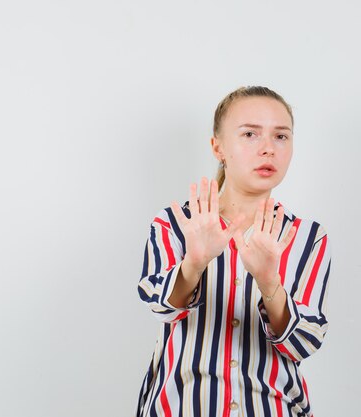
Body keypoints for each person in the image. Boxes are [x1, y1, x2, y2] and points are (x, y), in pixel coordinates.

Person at [136, 86, 332, 417]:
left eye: (281, 137)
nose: (268, 148)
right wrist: (194, 264)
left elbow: (303, 343)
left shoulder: (308, 237)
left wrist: (270, 284)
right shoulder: (175, 223)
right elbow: (160, 306)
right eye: (250, 134)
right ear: (218, 147)